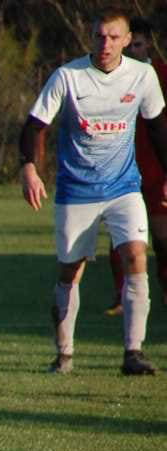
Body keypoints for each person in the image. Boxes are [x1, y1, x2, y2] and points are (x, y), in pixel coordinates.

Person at [19, 7, 167, 375]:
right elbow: (34, 126)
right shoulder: (68, 77)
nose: (106, 44)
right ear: (91, 36)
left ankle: (133, 353)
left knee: (136, 255)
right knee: (70, 271)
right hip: (77, 191)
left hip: (123, 187)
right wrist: (29, 168)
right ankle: (64, 354)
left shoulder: (142, 76)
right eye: (100, 36)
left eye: (114, 37)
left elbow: (158, 128)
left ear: (127, 40)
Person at [103, 16, 167, 316]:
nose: (133, 52)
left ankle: (164, 286)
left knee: (162, 236)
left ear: (148, 44)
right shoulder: (110, 79)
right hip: (121, 172)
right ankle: (121, 295)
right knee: (120, 237)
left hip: (156, 170)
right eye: (130, 46)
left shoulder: (161, 76)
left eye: (139, 45)